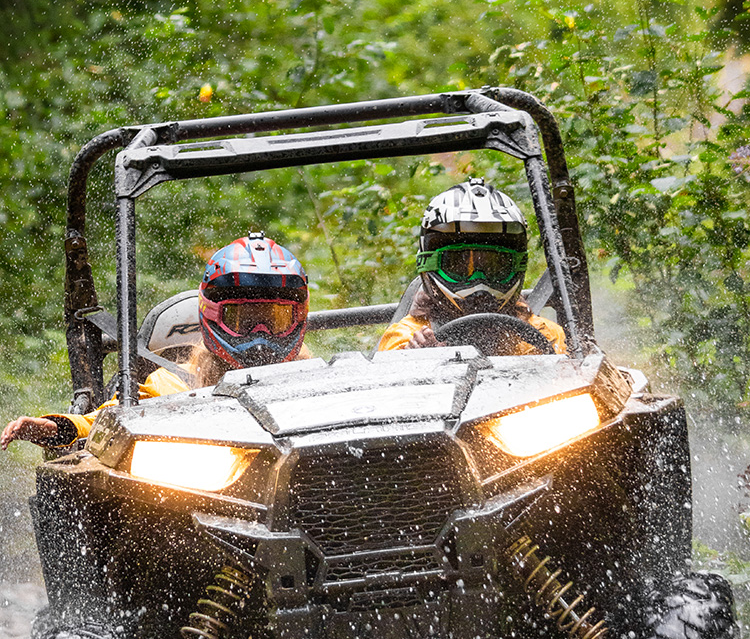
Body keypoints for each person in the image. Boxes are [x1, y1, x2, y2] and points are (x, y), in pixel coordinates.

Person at [1, 233, 310, 452]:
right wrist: (59, 428)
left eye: (275, 319)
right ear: (212, 316)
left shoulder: (314, 380)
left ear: (298, 318)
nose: (259, 332)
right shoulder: (175, 383)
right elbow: (113, 418)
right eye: (242, 319)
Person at [378, 177, 566, 354]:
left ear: (516, 266)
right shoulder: (407, 337)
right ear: (430, 265)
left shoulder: (545, 335)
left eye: (494, 266)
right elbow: (390, 378)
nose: (479, 281)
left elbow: (573, 383)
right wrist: (417, 359)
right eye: (460, 266)